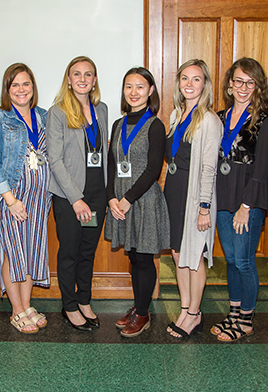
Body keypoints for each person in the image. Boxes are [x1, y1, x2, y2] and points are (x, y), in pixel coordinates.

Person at [210, 58, 268, 342]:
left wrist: (246, 208)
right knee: (232, 261)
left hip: (246, 202)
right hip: (222, 199)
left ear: (257, 86)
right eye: (239, 81)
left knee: (245, 261)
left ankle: (246, 319)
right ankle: (234, 312)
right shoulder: (219, 117)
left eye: (250, 82)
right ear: (229, 84)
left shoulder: (264, 120)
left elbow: (262, 169)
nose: (243, 87)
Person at [0, 63, 50, 334]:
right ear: (7, 90)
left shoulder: (45, 116)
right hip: (10, 198)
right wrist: (10, 200)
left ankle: (26, 303)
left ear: (33, 87)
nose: (21, 90)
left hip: (39, 199)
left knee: (32, 250)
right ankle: (16, 310)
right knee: (14, 251)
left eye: (26, 84)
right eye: (15, 85)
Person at [106, 67, 170, 338]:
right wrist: (111, 197)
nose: (134, 92)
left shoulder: (155, 125)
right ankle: (138, 306)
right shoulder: (118, 125)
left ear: (151, 91)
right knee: (133, 256)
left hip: (142, 200)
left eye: (140, 87)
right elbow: (110, 164)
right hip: (119, 200)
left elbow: (153, 168)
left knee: (144, 259)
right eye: (129, 87)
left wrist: (128, 199)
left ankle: (143, 315)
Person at [48, 56, 108, 331]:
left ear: (94, 80)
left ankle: (84, 300)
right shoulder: (58, 112)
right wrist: (76, 199)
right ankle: (69, 306)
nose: (83, 79)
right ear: (68, 80)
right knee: (69, 252)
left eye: (88, 74)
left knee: (87, 251)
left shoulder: (102, 110)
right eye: (77, 74)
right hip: (69, 198)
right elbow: (55, 160)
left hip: (97, 195)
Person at [163, 59, 222, 339]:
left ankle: (195, 314)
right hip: (174, 191)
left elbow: (209, 167)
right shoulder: (176, 116)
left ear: (205, 84)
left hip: (195, 196)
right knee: (178, 254)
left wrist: (204, 207)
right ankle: (185, 308)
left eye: (196, 79)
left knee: (194, 256)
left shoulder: (209, 120)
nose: (189, 84)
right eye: (184, 78)